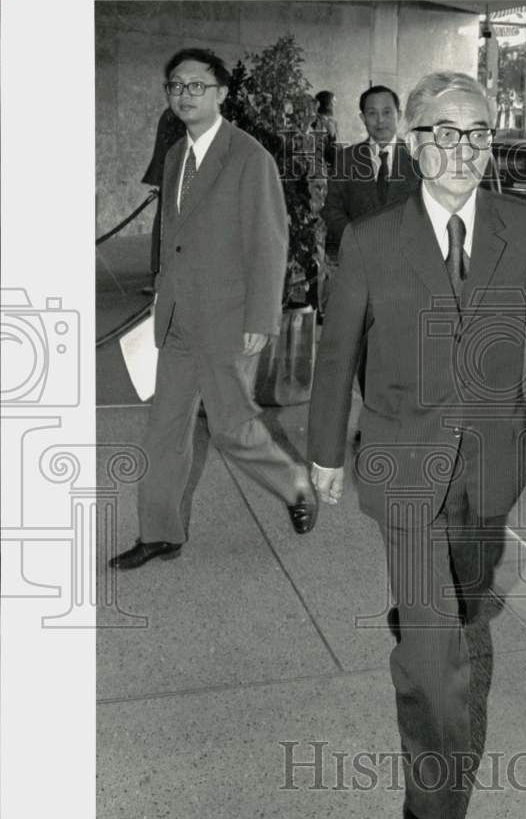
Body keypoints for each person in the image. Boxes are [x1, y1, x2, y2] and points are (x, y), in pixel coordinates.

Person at [308, 71, 526, 819]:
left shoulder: (522, 228)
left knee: (465, 604)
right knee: (436, 656)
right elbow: (337, 352)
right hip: (402, 461)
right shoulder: (372, 239)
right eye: (442, 131)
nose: (459, 148)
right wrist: (324, 449)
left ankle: (430, 622)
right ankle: (430, 808)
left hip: (489, 463)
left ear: (489, 145)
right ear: (416, 142)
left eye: (477, 132)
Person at [110, 48, 317, 572]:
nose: (183, 94)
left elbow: (270, 242)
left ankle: (293, 483)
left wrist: (260, 319)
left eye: (195, 86)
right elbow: (175, 236)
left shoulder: (249, 158)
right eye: (175, 85)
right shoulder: (177, 155)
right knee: (163, 429)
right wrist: (161, 294)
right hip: (179, 318)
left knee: (230, 427)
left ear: (222, 93)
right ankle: (159, 532)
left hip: (229, 319)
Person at [321, 84, 421, 252]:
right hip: (359, 258)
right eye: (372, 113)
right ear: (363, 118)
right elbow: (332, 209)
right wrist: (355, 239)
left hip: (408, 259)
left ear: (399, 115)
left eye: (387, 112)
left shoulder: (418, 158)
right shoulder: (346, 158)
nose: (380, 120)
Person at [141, 107, 186, 284]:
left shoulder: (174, 113)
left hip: (173, 172)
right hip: (175, 173)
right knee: (168, 217)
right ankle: (162, 265)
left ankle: (159, 264)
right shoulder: (176, 114)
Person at [310, 89, 338, 167]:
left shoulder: (328, 120)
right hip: (322, 163)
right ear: (327, 104)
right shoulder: (322, 121)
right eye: (333, 103)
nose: (334, 106)